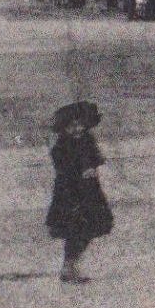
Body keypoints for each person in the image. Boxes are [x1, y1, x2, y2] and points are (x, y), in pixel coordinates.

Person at [47, 101, 114, 283]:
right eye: (72, 126)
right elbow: (63, 169)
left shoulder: (87, 140)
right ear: (64, 128)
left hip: (89, 192)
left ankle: (70, 265)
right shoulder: (60, 147)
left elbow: (96, 158)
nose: (77, 129)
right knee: (74, 230)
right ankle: (69, 266)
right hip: (70, 193)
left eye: (80, 125)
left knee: (89, 229)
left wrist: (92, 165)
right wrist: (81, 171)